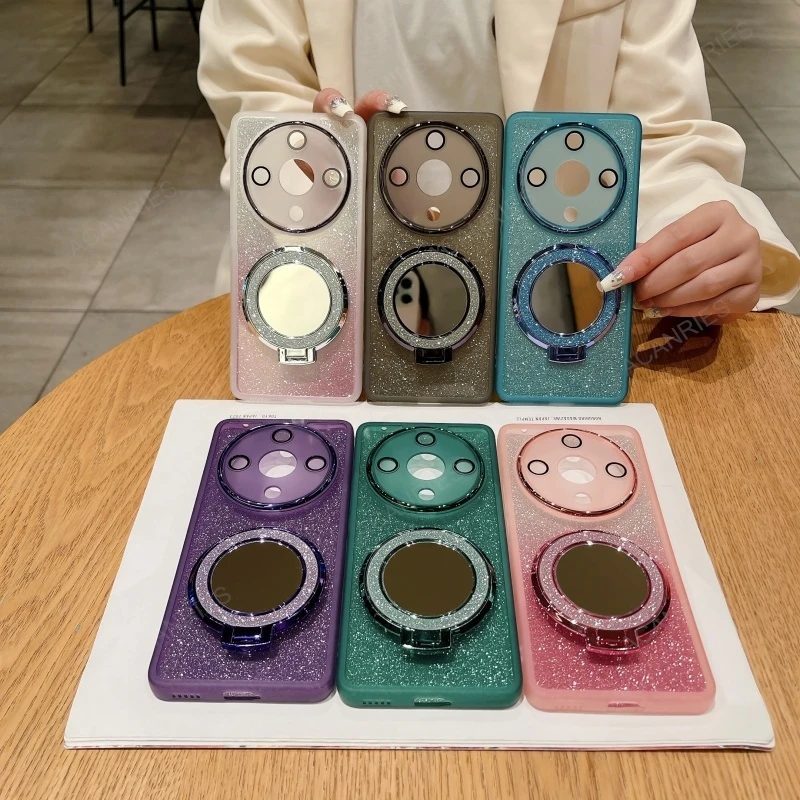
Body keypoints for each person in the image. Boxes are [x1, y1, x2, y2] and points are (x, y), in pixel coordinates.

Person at [198, 0, 800, 321]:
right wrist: (323, 169)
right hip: (328, 285)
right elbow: (256, 94)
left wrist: (698, 237)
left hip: (552, 306)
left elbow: (657, 134)